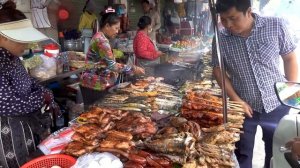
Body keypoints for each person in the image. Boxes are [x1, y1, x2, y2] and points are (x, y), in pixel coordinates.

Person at [212, 0, 298, 167]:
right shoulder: (220, 38)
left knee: (276, 152)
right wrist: (236, 100)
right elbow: (218, 71)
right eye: (223, 19)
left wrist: (291, 92)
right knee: (241, 153)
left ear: (249, 12)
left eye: (233, 18)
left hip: (277, 103)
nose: (228, 24)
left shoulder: (275, 25)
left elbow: (290, 57)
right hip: (243, 107)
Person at [0, 1, 57, 167]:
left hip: (26, 127)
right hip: (9, 133)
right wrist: (42, 97)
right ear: (3, 37)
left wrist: (42, 89)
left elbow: (27, 80)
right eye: (20, 40)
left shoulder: (13, 58)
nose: (25, 46)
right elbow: (7, 104)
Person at [82, 12, 144, 91]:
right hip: (94, 84)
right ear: (107, 26)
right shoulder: (101, 41)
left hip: (93, 82)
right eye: (116, 28)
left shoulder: (99, 36)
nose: (117, 31)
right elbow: (112, 65)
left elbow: (104, 61)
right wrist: (133, 69)